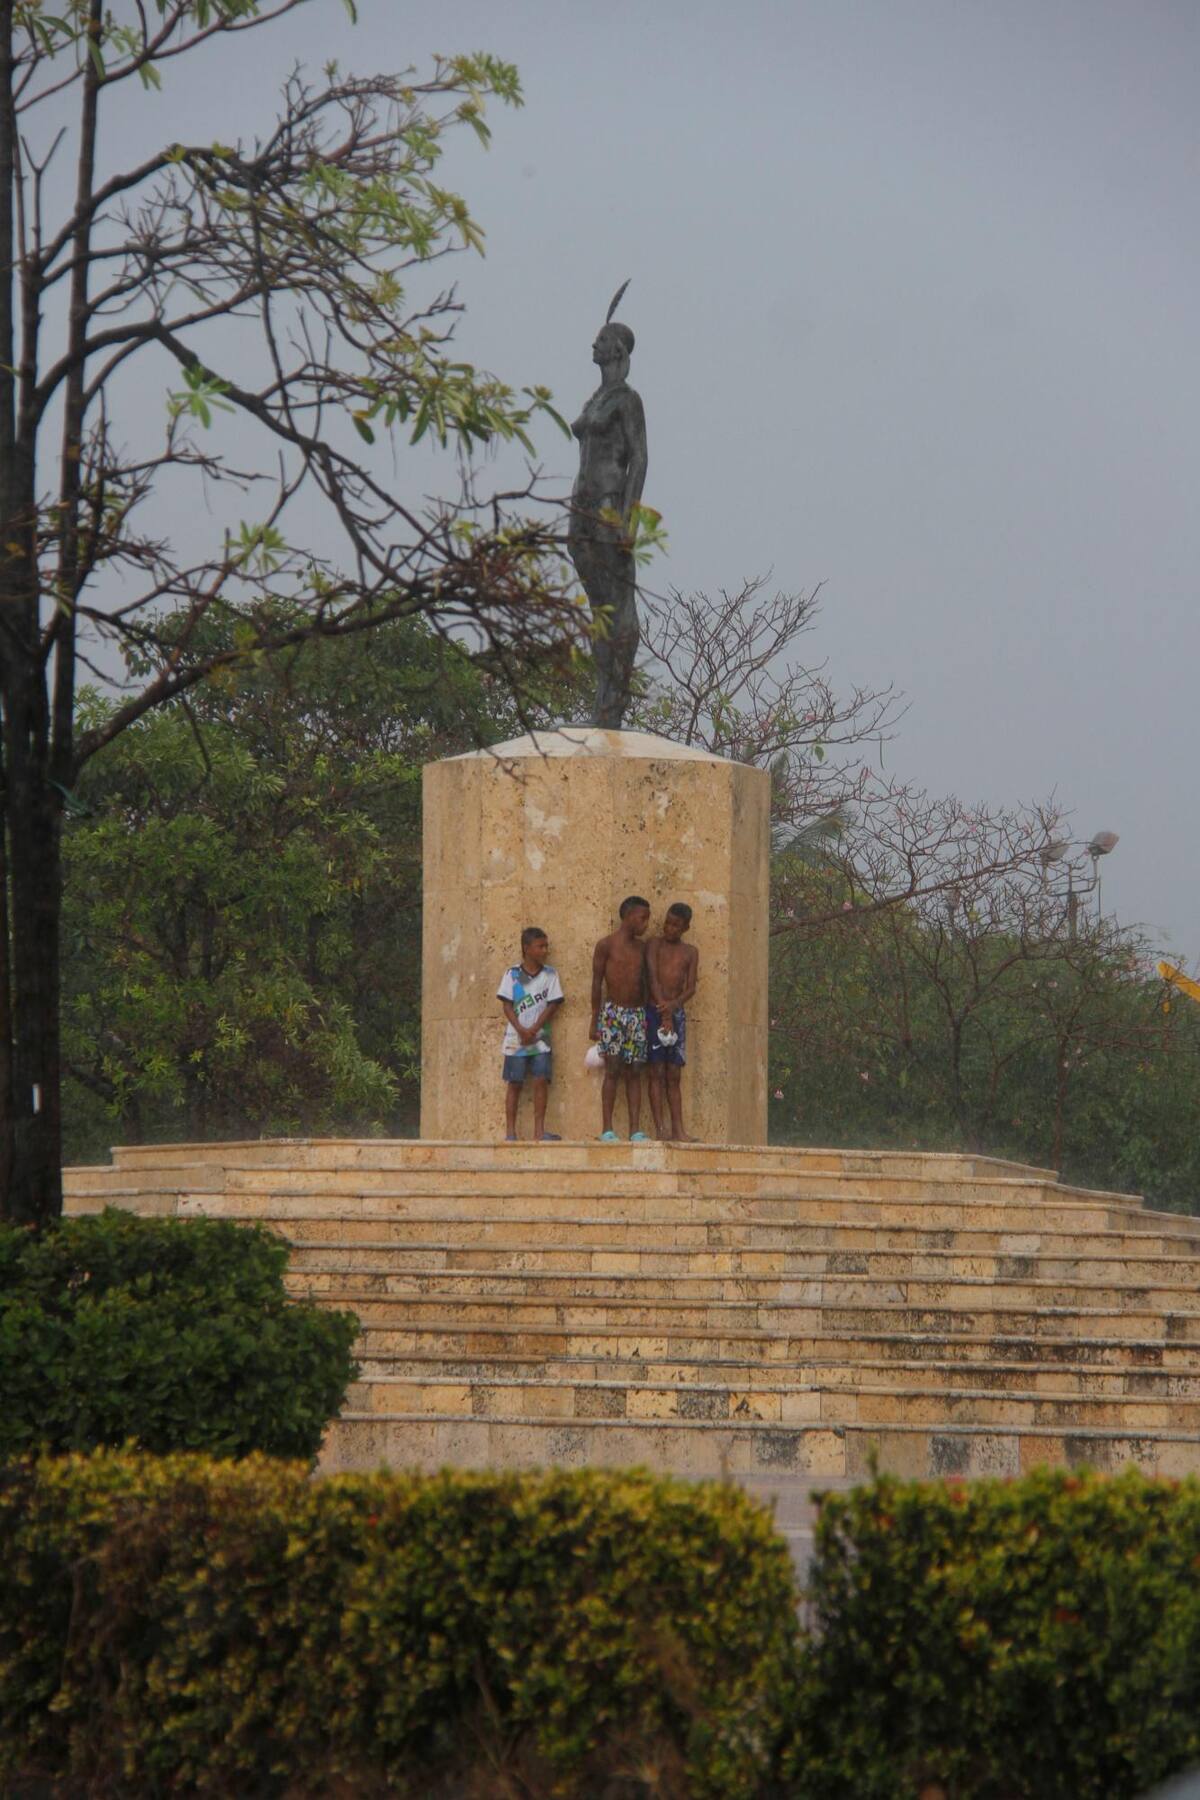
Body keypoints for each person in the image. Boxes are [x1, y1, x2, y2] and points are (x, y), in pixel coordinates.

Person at [567, 296, 648, 731]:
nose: (593, 347)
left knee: (616, 609)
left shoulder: (627, 400)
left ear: (617, 348)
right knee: (598, 607)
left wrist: (628, 522)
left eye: (600, 341)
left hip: (607, 510)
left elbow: (640, 459)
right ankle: (602, 701)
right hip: (581, 508)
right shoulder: (596, 397)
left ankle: (611, 706)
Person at [590, 895, 652, 1141]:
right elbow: (597, 983)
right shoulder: (606, 945)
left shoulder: (643, 948)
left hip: (637, 1014)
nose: (646, 924)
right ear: (628, 917)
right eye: (643, 918)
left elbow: (647, 981)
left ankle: (635, 1129)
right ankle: (607, 1129)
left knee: (635, 1070)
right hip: (613, 1013)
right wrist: (595, 1018)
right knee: (613, 1069)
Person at [497, 927, 564, 1142]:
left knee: (540, 1080)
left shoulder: (550, 975)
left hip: (540, 1038)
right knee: (514, 1083)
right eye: (540, 946)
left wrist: (534, 1029)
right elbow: (507, 1006)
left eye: (546, 946)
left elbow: (553, 1005)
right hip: (515, 1038)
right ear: (527, 949)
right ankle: (510, 1133)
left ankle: (539, 1131)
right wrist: (521, 1029)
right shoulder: (512, 974)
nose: (545, 950)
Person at [646, 902, 699, 1142]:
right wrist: (664, 1011)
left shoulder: (690, 952)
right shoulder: (654, 945)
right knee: (656, 1070)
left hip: (675, 1014)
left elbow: (690, 989)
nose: (670, 928)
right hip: (654, 1010)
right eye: (668, 922)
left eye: (676, 925)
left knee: (674, 1073)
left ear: (686, 927)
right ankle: (660, 1129)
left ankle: (679, 1129)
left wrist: (673, 1007)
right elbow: (652, 978)